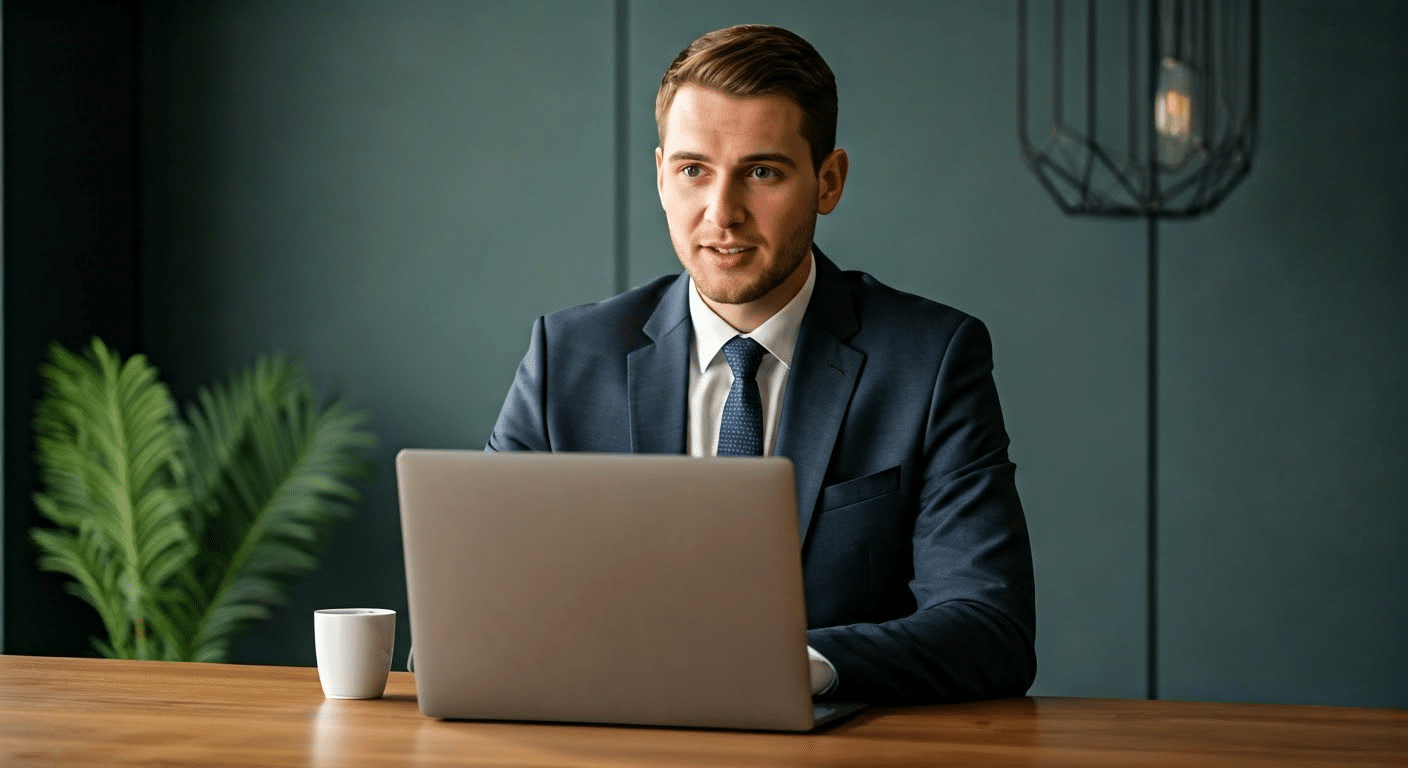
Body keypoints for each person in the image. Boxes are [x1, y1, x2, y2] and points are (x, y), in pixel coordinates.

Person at [487, 23, 1035, 705]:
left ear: (827, 181)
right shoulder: (565, 358)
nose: (723, 213)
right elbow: (477, 619)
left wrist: (783, 666)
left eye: (762, 172)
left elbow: (991, 629)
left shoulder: (932, 361)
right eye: (694, 170)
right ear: (660, 177)